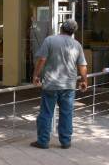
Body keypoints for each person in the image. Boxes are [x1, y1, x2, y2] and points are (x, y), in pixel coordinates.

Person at [31, 19, 88, 149]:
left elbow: (42, 60)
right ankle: (66, 141)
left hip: (51, 84)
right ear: (73, 32)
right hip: (69, 85)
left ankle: (43, 141)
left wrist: (36, 76)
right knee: (67, 114)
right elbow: (82, 65)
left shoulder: (50, 40)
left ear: (61, 28)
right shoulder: (77, 44)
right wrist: (84, 80)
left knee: (46, 113)